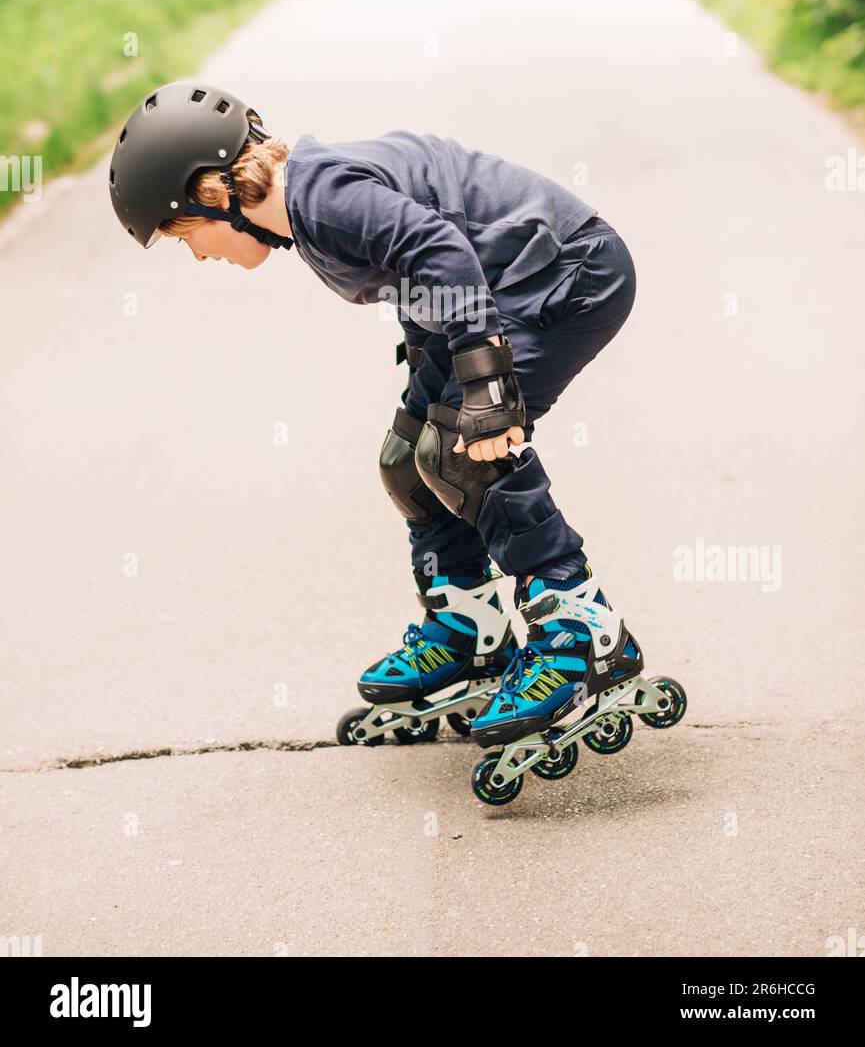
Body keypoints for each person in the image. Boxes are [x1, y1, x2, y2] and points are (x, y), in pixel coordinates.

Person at [109, 81, 645, 752]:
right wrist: (433, 364)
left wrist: (482, 384)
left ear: (213, 192)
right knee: (407, 464)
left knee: (462, 451)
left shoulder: (322, 198)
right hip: (508, 287)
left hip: (567, 276)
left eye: (184, 233)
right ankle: (469, 628)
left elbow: (440, 251)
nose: (196, 252)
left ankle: (580, 631)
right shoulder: (306, 208)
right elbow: (415, 272)